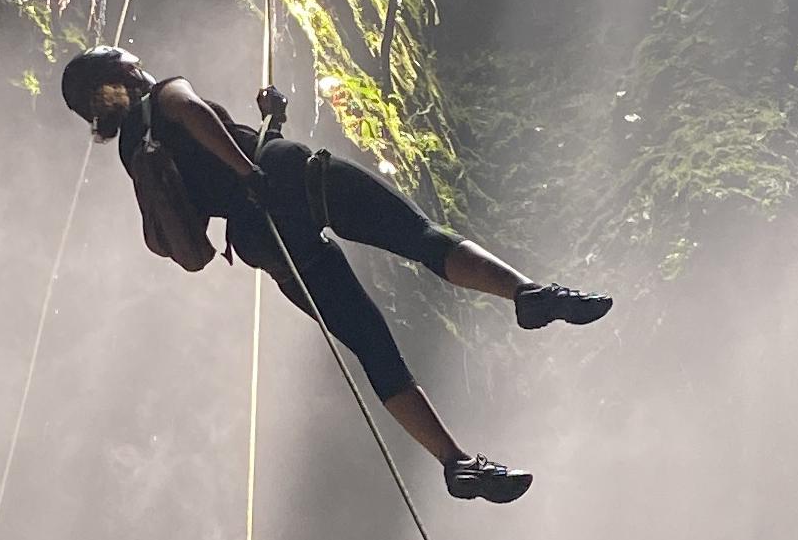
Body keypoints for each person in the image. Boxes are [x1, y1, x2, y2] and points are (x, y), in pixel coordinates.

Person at [56, 45, 610, 504]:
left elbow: (190, 213)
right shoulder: (165, 94)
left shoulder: (133, 153)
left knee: (369, 341)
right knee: (419, 236)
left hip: (259, 239)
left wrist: (268, 126)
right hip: (286, 180)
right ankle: (527, 294)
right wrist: (252, 171)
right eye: (133, 65)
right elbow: (197, 117)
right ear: (124, 76)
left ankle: (456, 463)